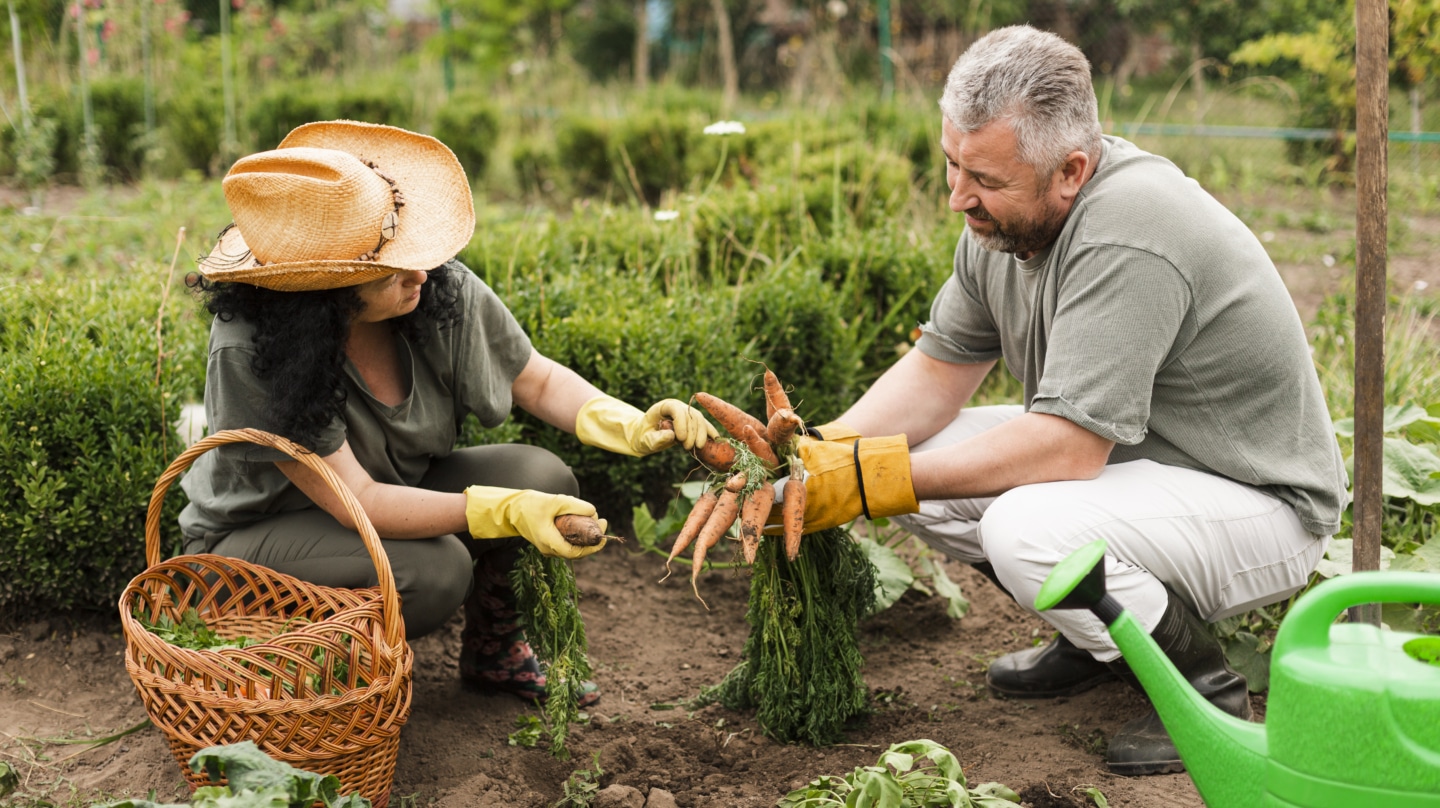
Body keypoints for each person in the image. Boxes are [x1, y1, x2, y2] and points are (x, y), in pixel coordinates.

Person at [779, 26, 1348, 775]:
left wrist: (868, 480)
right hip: (1143, 473)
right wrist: (820, 450)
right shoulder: (1001, 222)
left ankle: (1201, 690)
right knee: (912, 464)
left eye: (982, 177)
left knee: (1023, 523)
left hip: (1255, 497)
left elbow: (1068, 448)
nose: (958, 197)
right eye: (952, 164)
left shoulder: (1131, 229)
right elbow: (936, 371)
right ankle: (1097, 641)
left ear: (1071, 170)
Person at [178, 120, 717, 705]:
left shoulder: (432, 287)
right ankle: (308, 683)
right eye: (387, 271)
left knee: (540, 476)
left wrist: (632, 426)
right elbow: (358, 500)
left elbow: (533, 378)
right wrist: (502, 511)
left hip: (387, 497)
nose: (419, 272)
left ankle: (494, 654)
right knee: (433, 571)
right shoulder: (253, 346)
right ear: (324, 291)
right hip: (257, 542)